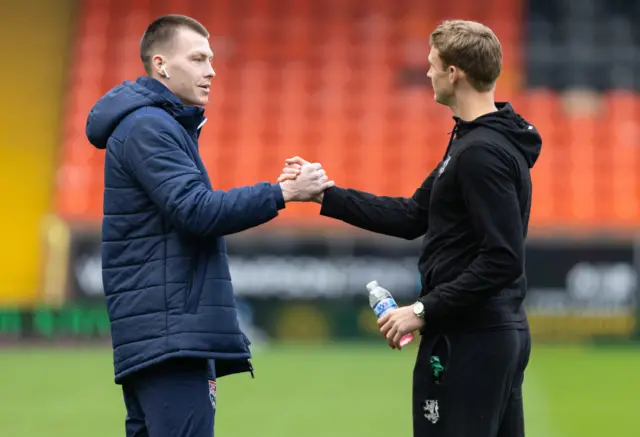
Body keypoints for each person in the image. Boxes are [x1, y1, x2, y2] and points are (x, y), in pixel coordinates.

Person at [279, 20, 542, 437]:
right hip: (486, 333)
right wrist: (324, 196)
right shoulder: (474, 142)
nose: (427, 73)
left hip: (472, 339)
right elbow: (411, 216)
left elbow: (503, 258)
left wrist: (422, 310)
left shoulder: (481, 154)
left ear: (453, 72)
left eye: (432, 64)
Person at [85, 14, 333, 437]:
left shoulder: (156, 124)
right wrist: (281, 193)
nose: (211, 70)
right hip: (169, 335)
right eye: (198, 58)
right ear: (161, 65)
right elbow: (195, 210)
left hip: (162, 333)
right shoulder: (149, 126)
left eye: (211, 59)